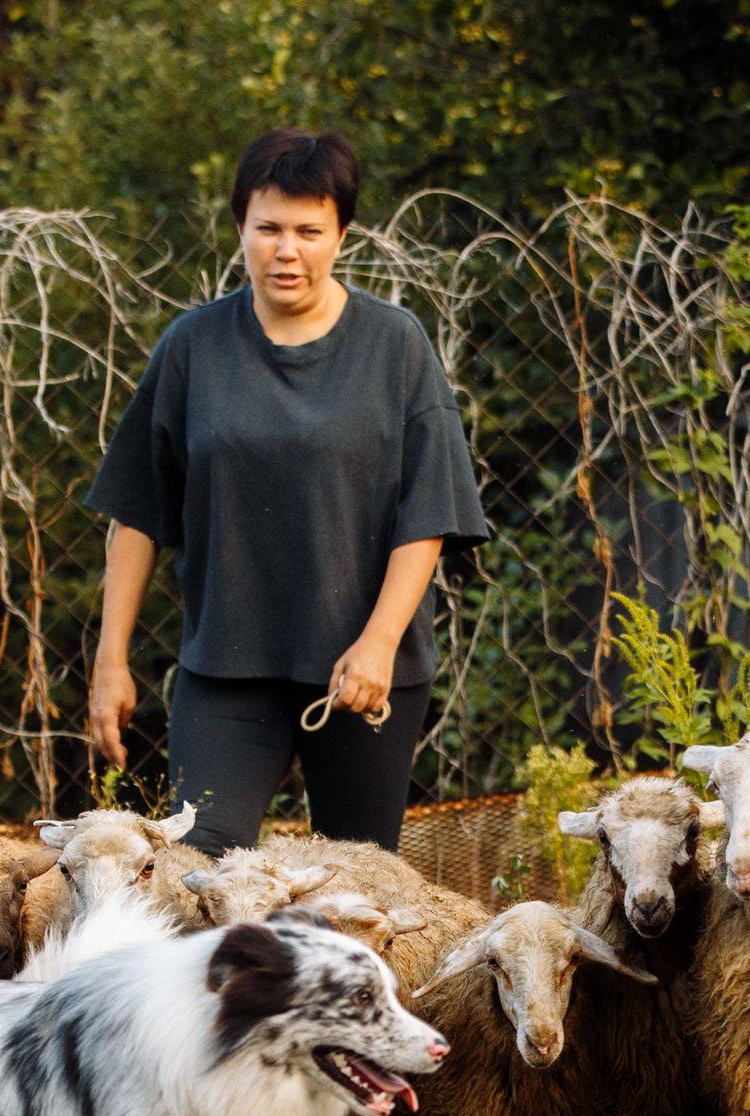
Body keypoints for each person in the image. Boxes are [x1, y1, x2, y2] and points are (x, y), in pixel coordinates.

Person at [82, 127, 489, 855]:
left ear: (342, 235)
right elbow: (137, 514)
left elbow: (427, 516)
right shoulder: (192, 347)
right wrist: (111, 661)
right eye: (267, 227)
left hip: (363, 675)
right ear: (240, 226)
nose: (286, 249)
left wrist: (379, 644)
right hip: (227, 668)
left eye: (309, 230)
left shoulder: (395, 347)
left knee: (355, 889)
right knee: (198, 869)